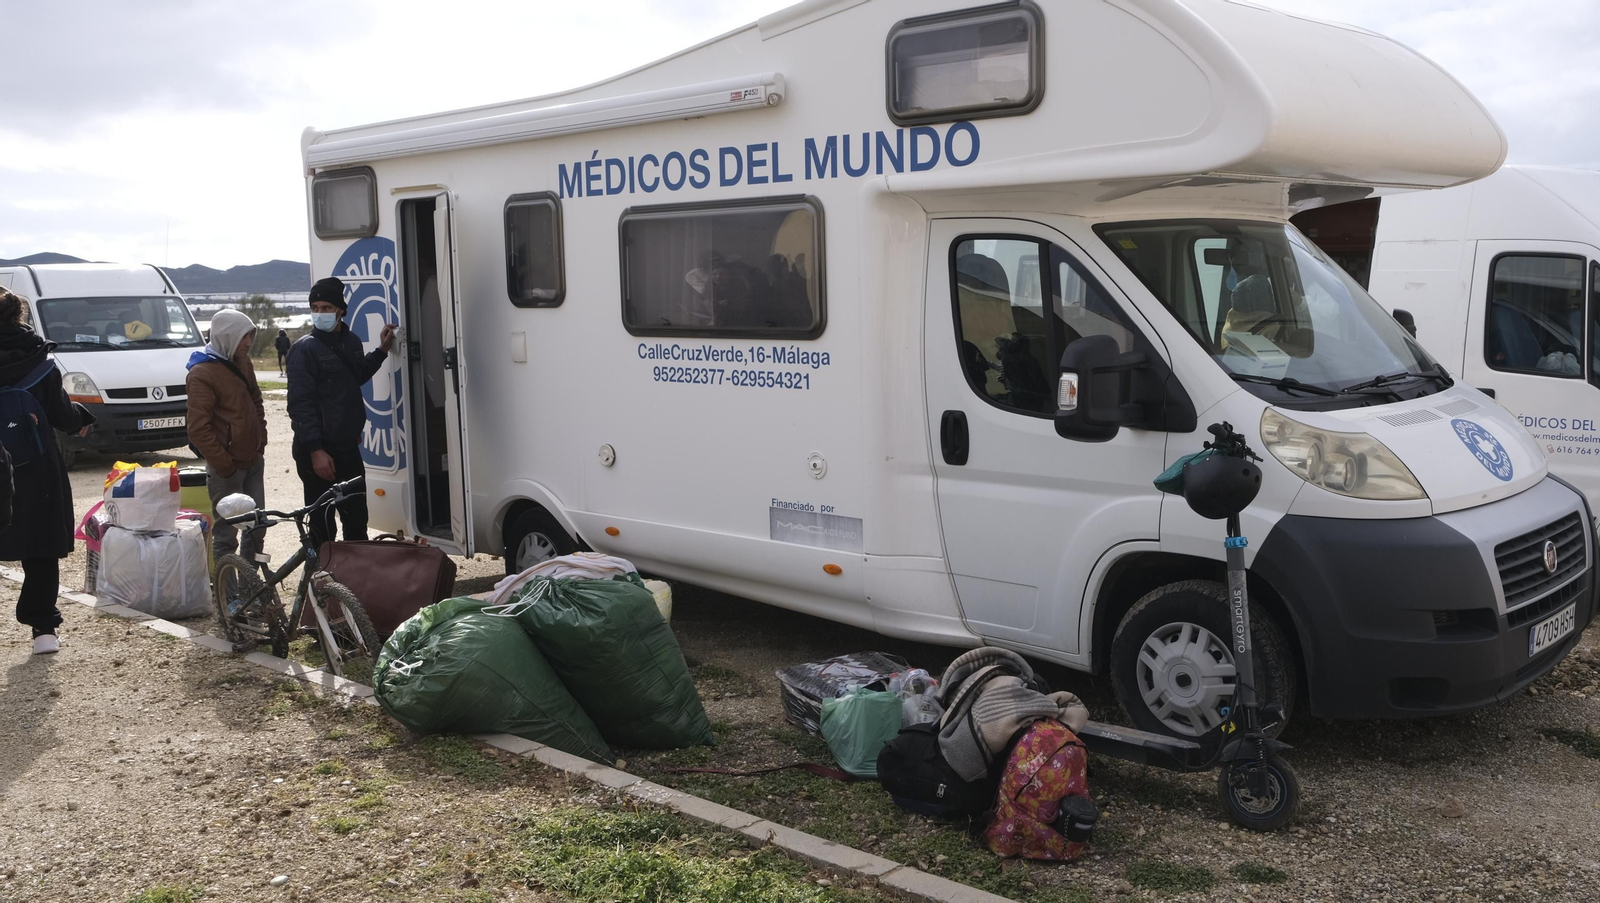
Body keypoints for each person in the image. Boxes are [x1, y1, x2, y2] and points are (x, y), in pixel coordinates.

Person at [0, 289, 95, 655]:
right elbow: (61, 414)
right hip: (35, 465)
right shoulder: (39, 361)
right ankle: (43, 631)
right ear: (19, 316)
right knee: (39, 545)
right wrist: (81, 420)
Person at [286, 276, 394, 547]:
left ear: (340, 310)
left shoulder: (352, 341)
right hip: (318, 452)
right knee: (322, 527)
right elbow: (300, 405)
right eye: (315, 307)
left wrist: (381, 351)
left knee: (357, 521)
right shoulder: (304, 349)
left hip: (347, 448)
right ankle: (322, 583)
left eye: (326, 307)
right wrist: (316, 451)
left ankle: (353, 583)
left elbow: (357, 374)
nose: (320, 313)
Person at [185, 308, 267, 561]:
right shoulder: (202, 372)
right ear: (227, 336)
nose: (248, 343)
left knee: (256, 528)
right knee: (226, 535)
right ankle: (229, 596)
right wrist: (225, 466)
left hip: (253, 461)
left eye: (250, 336)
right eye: (243, 337)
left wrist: (260, 440)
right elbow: (198, 429)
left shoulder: (243, 363)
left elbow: (256, 401)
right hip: (227, 470)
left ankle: (250, 589)